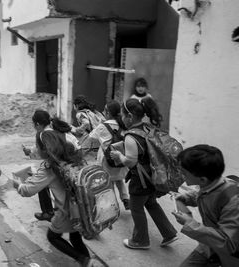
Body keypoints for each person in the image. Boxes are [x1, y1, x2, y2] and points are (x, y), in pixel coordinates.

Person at [13, 115, 105, 267]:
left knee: (53, 237)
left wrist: (18, 185)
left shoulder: (50, 167)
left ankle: (85, 261)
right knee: (75, 237)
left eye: (38, 147)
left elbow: (27, 190)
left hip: (66, 211)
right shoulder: (72, 155)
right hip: (81, 206)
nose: (37, 151)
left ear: (45, 149)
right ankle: (89, 263)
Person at [110, 98, 178, 249]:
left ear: (129, 117)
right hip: (153, 175)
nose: (121, 118)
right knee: (151, 203)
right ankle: (169, 233)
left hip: (140, 179)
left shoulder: (130, 136)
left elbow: (130, 162)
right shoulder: (147, 127)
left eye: (122, 115)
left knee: (136, 208)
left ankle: (140, 240)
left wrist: (118, 156)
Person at [172, 145, 239, 267]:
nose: (181, 175)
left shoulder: (233, 202)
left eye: (184, 173)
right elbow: (205, 194)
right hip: (209, 244)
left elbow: (228, 243)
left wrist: (190, 224)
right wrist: (187, 198)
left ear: (202, 179)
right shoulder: (212, 182)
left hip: (230, 254)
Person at [88, 100, 130, 210]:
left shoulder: (103, 126)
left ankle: (112, 205)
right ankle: (125, 198)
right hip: (120, 158)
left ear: (108, 113)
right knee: (119, 179)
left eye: (104, 110)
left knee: (108, 182)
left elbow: (91, 137)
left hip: (107, 159)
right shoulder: (124, 124)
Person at [22, 110, 55, 222]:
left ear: (37, 124)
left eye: (33, 124)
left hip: (56, 165)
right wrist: (31, 151)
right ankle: (49, 212)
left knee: (41, 183)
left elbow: (44, 153)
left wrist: (20, 187)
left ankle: (49, 213)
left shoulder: (43, 134)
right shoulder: (54, 128)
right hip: (68, 163)